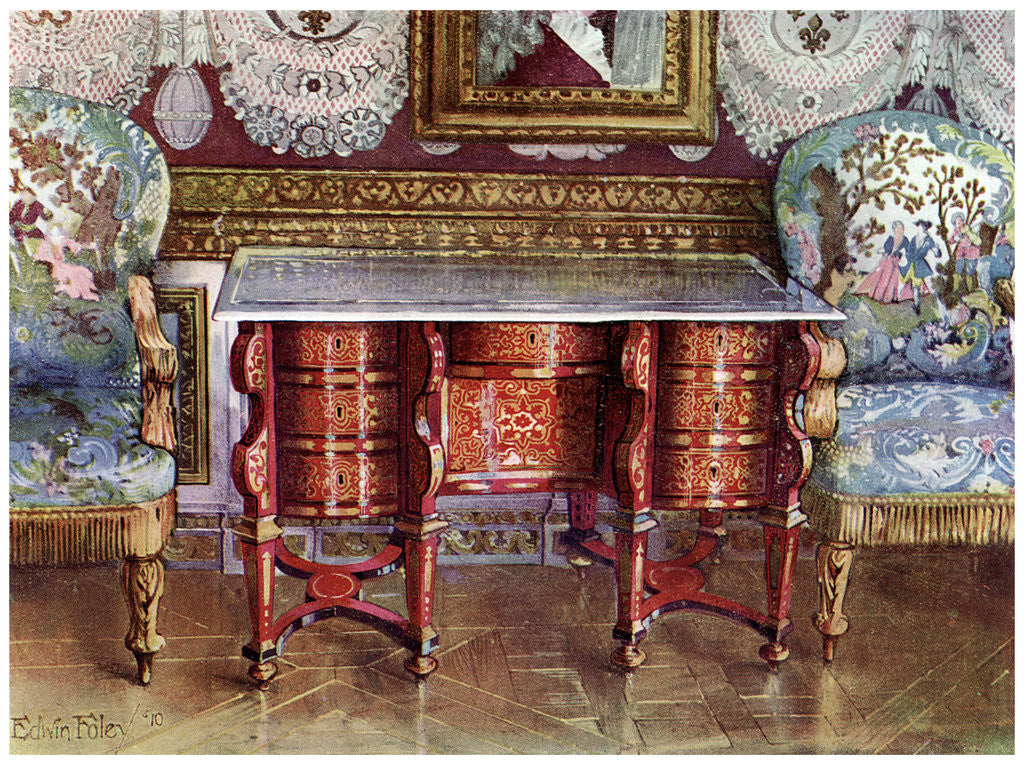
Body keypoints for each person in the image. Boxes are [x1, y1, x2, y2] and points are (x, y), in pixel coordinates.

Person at [853, 220, 909, 303]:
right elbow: (885, 249)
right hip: (886, 261)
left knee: (893, 280)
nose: (900, 232)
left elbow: (908, 252)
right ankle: (877, 296)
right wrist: (882, 251)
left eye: (901, 229)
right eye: (898, 230)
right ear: (894, 230)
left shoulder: (905, 240)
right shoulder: (890, 239)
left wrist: (902, 257)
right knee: (882, 278)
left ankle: (888, 298)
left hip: (896, 263)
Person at [899, 219, 938, 309]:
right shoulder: (914, 238)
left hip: (919, 264)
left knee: (917, 285)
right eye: (921, 226)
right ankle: (897, 298)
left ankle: (917, 305)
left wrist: (936, 249)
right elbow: (909, 250)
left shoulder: (929, 240)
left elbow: (937, 254)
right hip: (910, 263)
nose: (922, 228)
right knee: (903, 280)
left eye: (924, 226)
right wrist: (904, 254)